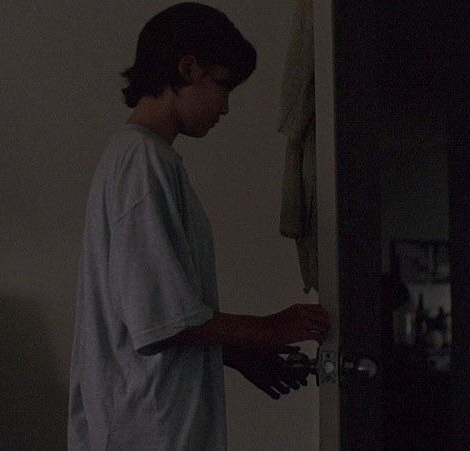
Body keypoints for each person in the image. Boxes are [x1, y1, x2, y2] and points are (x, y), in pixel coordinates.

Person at [67, 3, 331, 450]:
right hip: (145, 431)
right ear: (187, 69)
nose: (226, 107)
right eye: (223, 85)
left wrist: (236, 354)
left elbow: (152, 314)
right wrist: (272, 328)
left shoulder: (146, 159)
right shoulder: (142, 162)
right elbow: (160, 320)